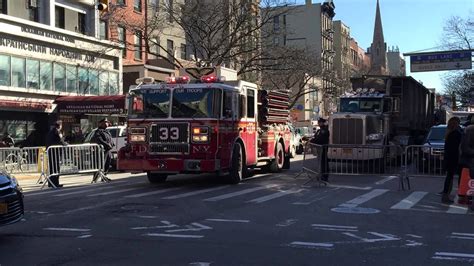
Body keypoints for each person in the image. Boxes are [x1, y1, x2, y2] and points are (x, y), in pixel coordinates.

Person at [440, 117, 463, 204]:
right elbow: (457, 148)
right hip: (454, 158)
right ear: (456, 124)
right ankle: (446, 196)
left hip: (449, 158)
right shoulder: (456, 134)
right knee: (450, 177)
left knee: (449, 177)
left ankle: (446, 195)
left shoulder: (449, 133)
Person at [45, 120, 68, 188]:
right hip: (55, 152)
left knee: (52, 168)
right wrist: (65, 144)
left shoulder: (50, 132)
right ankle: (55, 183)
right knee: (56, 168)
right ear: (60, 125)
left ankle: (51, 183)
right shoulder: (57, 131)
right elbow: (61, 141)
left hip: (50, 152)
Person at [310, 118, 330, 182]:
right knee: (321, 163)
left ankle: (325, 176)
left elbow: (320, 139)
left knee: (324, 163)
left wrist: (312, 141)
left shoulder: (325, 130)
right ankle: (321, 175)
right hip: (319, 149)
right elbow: (316, 137)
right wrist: (311, 140)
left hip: (323, 148)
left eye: (319, 122)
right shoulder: (319, 130)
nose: (318, 123)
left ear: (322, 123)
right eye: (318, 122)